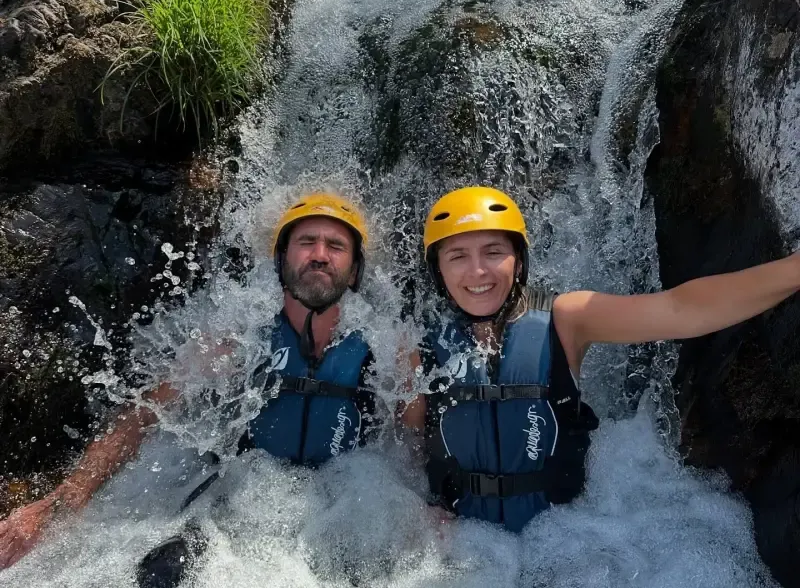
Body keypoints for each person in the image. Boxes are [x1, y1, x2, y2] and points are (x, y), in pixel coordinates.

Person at [0, 193, 380, 586]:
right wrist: (64, 499)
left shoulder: (382, 351)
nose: (320, 255)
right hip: (238, 507)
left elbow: (411, 450)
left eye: (336, 246)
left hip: (340, 510)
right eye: (306, 242)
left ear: (354, 271)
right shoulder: (239, 340)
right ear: (281, 261)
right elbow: (144, 415)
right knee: (164, 572)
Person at [401, 185, 800, 533]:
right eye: (457, 256)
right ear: (439, 269)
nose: (477, 271)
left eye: (494, 252)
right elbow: (407, 448)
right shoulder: (417, 345)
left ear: (518, 260)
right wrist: (420, 508)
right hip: (469, 546)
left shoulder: (567, 318)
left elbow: (681, 309)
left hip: (567, 538)